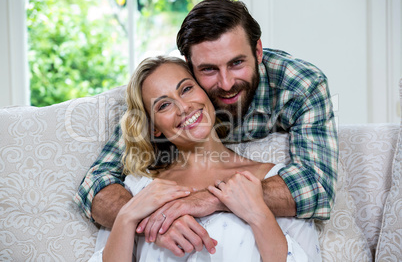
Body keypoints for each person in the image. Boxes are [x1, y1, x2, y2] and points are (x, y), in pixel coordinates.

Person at [75, 0, 338, 256]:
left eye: (236, 63)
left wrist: (211, 198)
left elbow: (317, 187)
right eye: (209, 69)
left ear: (258, 51)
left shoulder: (299, 85)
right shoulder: (169, 89)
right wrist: (154, 219)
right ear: (189, 67)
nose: (225, 83)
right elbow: (97, 183)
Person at [89, 55, 320, 261]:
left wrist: (259, 215)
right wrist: (129, 216)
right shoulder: (138, 190)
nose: (184, 108)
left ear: (205, 92)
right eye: (164, 105)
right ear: (154, 128)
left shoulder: (275, 183)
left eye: (187, 89)